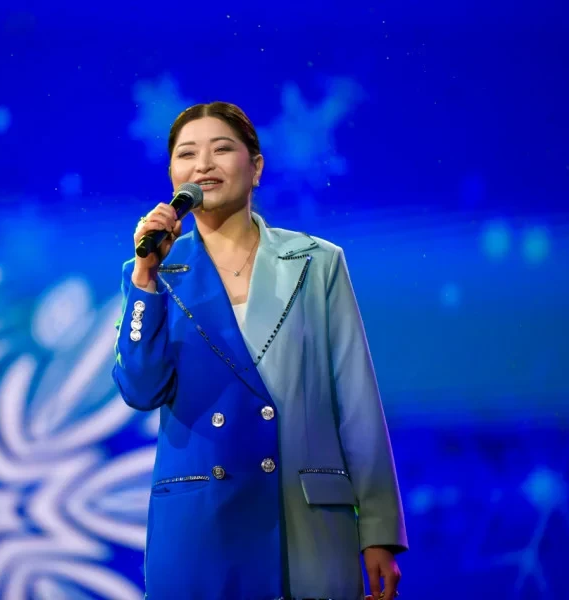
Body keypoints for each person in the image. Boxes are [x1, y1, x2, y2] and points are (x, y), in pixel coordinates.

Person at [112, 101, 408, 600]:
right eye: (187, 154)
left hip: (302, 523)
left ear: (256, 167)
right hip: (201, 529)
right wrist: (145, 278)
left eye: (221, 149)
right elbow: (140, 390)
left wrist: (379, 531)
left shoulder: (317, 262)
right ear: (172, 175)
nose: (203, 165)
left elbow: (356, 402)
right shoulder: (155, 274)